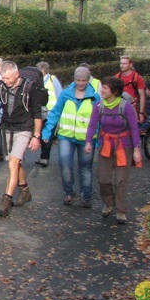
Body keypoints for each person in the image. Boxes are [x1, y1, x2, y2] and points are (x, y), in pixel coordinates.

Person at [0, 61, 42, 218]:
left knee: (12, 162)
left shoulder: (29, 87)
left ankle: (5, 201)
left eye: (8, 78)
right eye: (3, 77)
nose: (5, 81)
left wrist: (36, 135)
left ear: (17, 75)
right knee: (17, 162)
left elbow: (36, 113)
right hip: (7, 128)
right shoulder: (0, 86)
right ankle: (24, 190)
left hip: (24, 128)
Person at [85, 76, 142, 224]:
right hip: (106, 145)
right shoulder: (99, 106)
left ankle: (121, 210)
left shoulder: (126, 107)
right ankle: (109, 203)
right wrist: (88, 142)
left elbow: (134, 128)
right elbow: (92, 125)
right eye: (101, 87)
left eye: (105, 88)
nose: (101, 90)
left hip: (124, 146)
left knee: (121, 180)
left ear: (115, 91)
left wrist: (137, 149)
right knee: (103, 178)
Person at [41, 67, 100, 207]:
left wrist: (96, 140)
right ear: (74, 79)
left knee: (85, 168)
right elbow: (55, 112)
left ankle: (86, 196)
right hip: (66, 136)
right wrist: (47, 132)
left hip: (86, 139)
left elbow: (98, 120)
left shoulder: (94, 97)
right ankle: (69, 192)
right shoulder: (66, 94)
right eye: (78, 80)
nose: (81, 83)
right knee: (65, 165)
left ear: (88, 79)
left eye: (84, 80)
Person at [35, 62, 63, 167]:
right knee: (42, 135)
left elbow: (60, 95)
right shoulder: (36, 81)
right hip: (40, 112)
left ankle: (44, 157)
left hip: (51, 112)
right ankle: (43, 156)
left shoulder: (53, 80)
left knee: (48, 135)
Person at [115, 55, 146, 124]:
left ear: (130, 65)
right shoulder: (116, 77)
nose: (122, 66)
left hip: (133, 107)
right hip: (119, 107)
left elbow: (142, 96)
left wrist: (141, 113)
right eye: (121, 63)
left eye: (124, 63)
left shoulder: (137, 77)